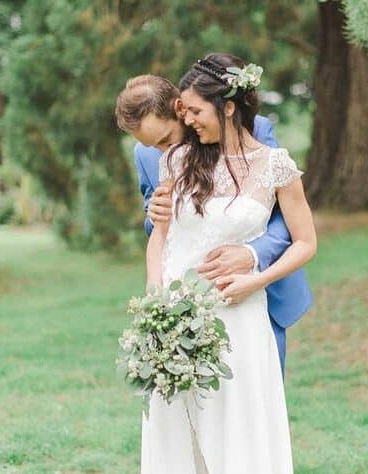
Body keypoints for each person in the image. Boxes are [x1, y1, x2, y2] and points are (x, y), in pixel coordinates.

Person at [141, 53, 317, 474]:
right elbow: (160, 238)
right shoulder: (175, 160)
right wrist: (155, 299)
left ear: (230, 106)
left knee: (240, 436)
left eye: (195, 111)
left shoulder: (274, 166)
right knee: (177, 434)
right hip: (173, 323)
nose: (186, 121)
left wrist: (255, 278)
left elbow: (306, 243)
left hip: (238, 320)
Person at [116, 74, 312, 377]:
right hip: (184, 300)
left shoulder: (255, 130)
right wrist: (153, 214)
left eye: (167, 139)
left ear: (180, 109)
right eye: (153, 146)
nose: (162, 152)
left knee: (257, 403)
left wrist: (253, 255)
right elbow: (158, 222)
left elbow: (282, 213)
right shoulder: (149, 154)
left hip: (253, 291)